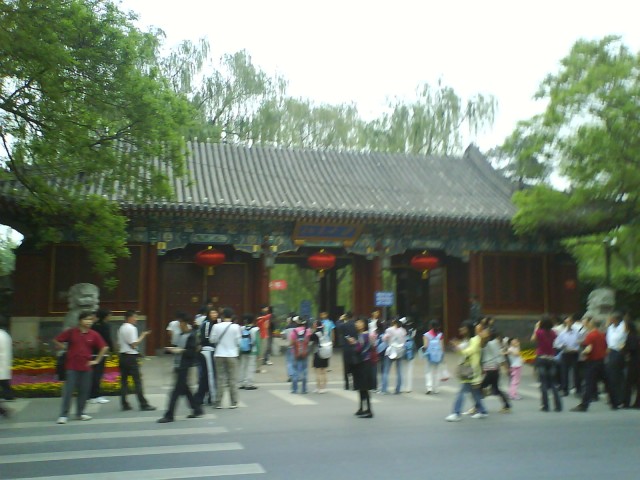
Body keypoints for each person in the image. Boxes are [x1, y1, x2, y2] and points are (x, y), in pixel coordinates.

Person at [54, 311, 109, 424]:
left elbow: (104, 347)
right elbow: (56, 339)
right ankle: (63, 415)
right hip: (71, 366)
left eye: (90, 320)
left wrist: (96, 361)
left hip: (86, 367)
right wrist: (63, 347)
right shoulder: (72, 332)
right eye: (86, 319)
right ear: (80, 321)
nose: (89, 322)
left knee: (84, 391)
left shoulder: (94, 334)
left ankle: (80, 413)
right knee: (68, 391)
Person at [158, 313, 203, 423]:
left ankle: (169, 415)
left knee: (175, 392)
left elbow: (192, 353)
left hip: (185, 366)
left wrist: (180, 351)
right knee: (185, 389)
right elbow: (179, 348)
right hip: (179, 364)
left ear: (185, 323)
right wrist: (172, 349)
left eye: (180, 323)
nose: (178, 325)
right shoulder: (182, 334)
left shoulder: (192, 335)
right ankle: (197, 409)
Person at [445, 321, 489, 422]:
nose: (478, 328)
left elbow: (470, 351)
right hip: (471, 370)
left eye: (480, 329)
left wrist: (459, 348)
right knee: (474, 392)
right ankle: (483, 411)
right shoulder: (473, 339)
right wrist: (458, 348)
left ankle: (456, 413)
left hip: (471, 371)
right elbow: (466, 352)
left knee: (462, 392)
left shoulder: (476, 339)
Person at [118, 310, 156, 412]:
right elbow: (134, 344)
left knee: (124, 382)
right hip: (131, 357)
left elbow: (119, 344)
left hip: (122, 356)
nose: (136, 319)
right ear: (129, 317)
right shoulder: (131, 328)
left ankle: (124, 404)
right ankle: (143, 404)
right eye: (135, 317)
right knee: (137, 382)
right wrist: (143, 335)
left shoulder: (121, 328)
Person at [571, 317, 607, 412]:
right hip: (601, 361)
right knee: (607, 381)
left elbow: (589, 348)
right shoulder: (602, 335)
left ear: (591, 324)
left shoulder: (590, 335)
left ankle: (584, 404)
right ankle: (615, 402)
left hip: (592, 361)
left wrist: (583, 353)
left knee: (588, 383)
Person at [211, 307, 241, 409]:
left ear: (222, 316)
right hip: (232, 355)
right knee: (232, 379)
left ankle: (218, 402)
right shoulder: (236, 327)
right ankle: (233, 402)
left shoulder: (216, 326)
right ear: (232, 316)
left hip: (219, 354)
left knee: (220, 378)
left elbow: (212, 340)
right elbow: (238, 342)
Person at [531, 316, 562, 412]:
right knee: (553, 383)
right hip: (551, 358)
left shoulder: (539, 332)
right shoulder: (553, 333)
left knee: (543, 383)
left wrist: (536, 327)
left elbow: (533, 339)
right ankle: (558, 406)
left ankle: (545, 405)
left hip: (541, 358)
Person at [480, 328, 511, 413]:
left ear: (489, 334)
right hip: (494, 369)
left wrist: (506, 368)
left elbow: (500, 356)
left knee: (479, 388)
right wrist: (506, 368)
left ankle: (477, 407)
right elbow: (500, 357)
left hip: (491, 370)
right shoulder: (493, 343)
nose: (482, 333)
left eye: (484, 332)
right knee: (496, 389)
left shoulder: (490, 343)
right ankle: (507, 406)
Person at [350, 317, 375, 418]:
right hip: (363, 363)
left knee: (364, 387)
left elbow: (359, 349)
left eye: (359, 322)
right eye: (356, 322)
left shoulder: (364, 335)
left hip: (364, 363)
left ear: (364, 324)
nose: (357, 324)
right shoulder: (364, 335)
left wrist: (354, 343)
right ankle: (362, 408)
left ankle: (368, 410)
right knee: (361, 387)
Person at [553, 314, 582, 397]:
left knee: (576, 372)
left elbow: (579, 342)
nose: (568, 323)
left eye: (570, 322)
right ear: (565, 323)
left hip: (574, 353)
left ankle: (578, 390)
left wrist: (576, 349)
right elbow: (557, 343)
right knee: (564, 372)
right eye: (567, 322)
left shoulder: (577, 332)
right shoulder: (562, 333)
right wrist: (562, 346)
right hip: (565, 353)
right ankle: (565, 389)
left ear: (572, 322)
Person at [194, 308, 218, 407]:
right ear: (208, 314)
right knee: (210, 374)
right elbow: (207, 338)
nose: (215, 314)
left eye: (215, 312)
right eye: (212, 312)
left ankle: (200, 397)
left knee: (205, 375)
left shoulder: (212, 323)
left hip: (209, 350)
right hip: (207, 350)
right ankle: (212, 397)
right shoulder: (208, 323)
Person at [89, 308, 113, 404]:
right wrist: (112, 349)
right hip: (101, 352)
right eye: (109, 315)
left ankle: (92, 395)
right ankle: (95, 396)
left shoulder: (94, 325)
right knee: (97, 375)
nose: (110, 317)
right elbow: (108, 339)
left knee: (94, 375)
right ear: (105, 316)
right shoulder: (105, 326)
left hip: (93, 352)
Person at [605, 311, 627, 410]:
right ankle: (613, 398)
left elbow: (623, 339)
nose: (609, 320)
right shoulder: (610, 328)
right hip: (610, 351)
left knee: (616, 376)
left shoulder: (623, 327)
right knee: (610, 376)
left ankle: (618, 399)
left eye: (611, 319)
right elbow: (609, 339)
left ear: (616, 319)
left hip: (619, 351)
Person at [381, 317, 406, 395]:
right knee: (399, 371)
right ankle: (398, 389)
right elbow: (404, 341)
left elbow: (384, 339)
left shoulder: (389, 330)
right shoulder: (403, 331)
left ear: (394, 322)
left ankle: (384, 389)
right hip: (400, 351)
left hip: (391, 351)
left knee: (386, 370)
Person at [290, 315, 313, 394]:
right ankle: (304, 389)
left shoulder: (294, 331)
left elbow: (291, 343)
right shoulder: (308, 331)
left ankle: (294, 389)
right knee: (304, 370)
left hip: (295, 353)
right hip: (304, 353)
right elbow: (309, 341)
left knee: (295, 370)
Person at [238, 313, 259, 390]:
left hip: (243, 350)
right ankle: (249, 384)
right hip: (252, 351)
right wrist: (259, 353)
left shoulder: (241, 328)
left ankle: (241, 383)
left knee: (243, 366)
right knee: (250, 367)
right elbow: (258, 342)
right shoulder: (255, 329)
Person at [622, 315, 640, 408]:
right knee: (637, 383)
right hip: (636, 361)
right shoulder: (636, 336)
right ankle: (637, 403)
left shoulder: (631, 336)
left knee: (629, 383)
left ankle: (626, 402)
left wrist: (624, 349)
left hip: (634, 362)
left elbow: (632, 348)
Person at [423, 319, 445, 394]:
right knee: (437, 371)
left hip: (429, 355)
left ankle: (429, 387)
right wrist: (442, 355)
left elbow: (425, 346)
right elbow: (442, 346)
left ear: (430, 326)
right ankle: (436, 388)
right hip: (438, 355)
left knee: (428, 371)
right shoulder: (440, 335)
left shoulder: (426, 335)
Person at [338, 312, 358, 390]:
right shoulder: (356, 325)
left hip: (346, 348)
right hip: (355, 347)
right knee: (355, 366)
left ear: (346, 317)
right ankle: (355, 385)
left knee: (346, 366)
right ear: (353, 316)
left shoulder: (344, 325)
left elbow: (338, 326)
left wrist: (340, 319)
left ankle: (347, 385)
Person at [311, 319, 329, 393]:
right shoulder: (325, 332)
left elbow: (310, 339)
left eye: (314, 323)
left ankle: (319, 388)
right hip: (326, 353)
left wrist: (312, 330)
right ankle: (324, 387)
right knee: (324, 371)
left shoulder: (316, 333)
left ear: (316, 325)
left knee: (318, 371)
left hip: (318, 353)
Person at [281, 313, 298, 382]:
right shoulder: (298, 327)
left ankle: (291, 376)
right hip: (297, 347)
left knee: (289, 362)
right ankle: (296, 375)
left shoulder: (287, 327)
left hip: (289, 346)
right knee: (296, 362)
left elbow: (283, 336)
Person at [0, 326, 14, 402]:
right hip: (4, 362)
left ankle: (9, 395)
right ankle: (9, 395)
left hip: (1, 361)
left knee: (3, 381)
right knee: (4, 381)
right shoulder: (5, 335)